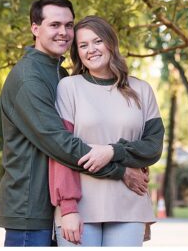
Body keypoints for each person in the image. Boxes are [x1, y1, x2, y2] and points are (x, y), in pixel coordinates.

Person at [0, 0, 157, 247]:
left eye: (68, 25)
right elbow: (60, 144)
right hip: (30, 206)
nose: (63, 32)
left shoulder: (57, 73)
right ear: (35, 28)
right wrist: (121, 170)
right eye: (54, 25)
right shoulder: (30, 78)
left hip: (48, 206)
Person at [49, 15, 164, 247]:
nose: (91, 49)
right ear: (77, 53)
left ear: (111, 43)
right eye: (83, 45)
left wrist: (113, 151)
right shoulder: (69, 88)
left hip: (129, 204)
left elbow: (153, 147)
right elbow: (61, 152)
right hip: (80, 207)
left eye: (97, 41)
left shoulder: (141, 89)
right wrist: (68, 208)